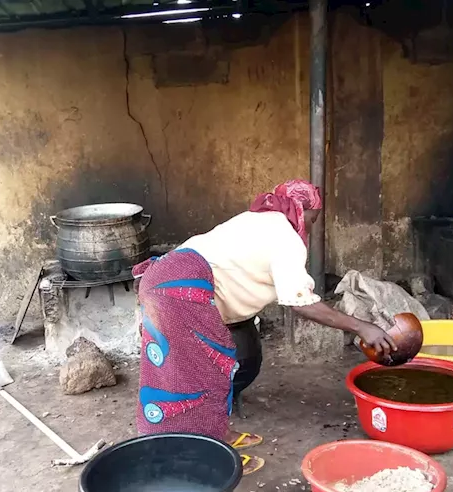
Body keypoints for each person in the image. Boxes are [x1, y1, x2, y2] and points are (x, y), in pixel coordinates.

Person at [132, 180, 396, 475]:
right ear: (301, 210)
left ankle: (216, 436)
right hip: (181, 288)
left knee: (200, 370)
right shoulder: (285, 237)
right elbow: (300, 302)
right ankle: (208, 460)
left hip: (166, 277)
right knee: (199, 374)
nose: (311, 226)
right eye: (312, 218)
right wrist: (361, 327)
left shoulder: (258, 220)